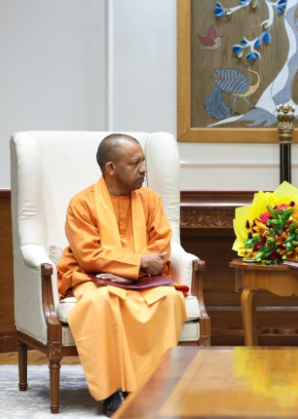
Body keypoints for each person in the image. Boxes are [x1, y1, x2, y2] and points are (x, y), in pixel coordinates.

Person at [56, 134, 188, 417]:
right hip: (92, 277)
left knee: (167, 298)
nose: (144, 169)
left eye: (144, 161)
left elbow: (160, 245)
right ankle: (112, 390)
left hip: (144, 279)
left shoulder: (150, 199)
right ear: (110, 168)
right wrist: (136, 264)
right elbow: (89, 256)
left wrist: (133, 272)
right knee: (101, 303)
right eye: (135, 163)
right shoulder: (82, 204)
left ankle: (150, 386)